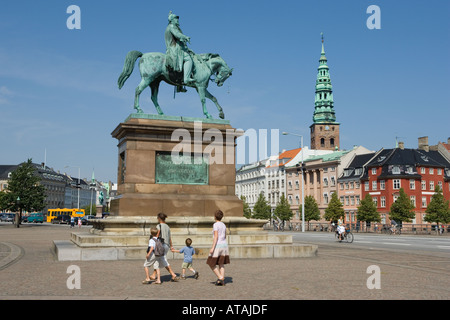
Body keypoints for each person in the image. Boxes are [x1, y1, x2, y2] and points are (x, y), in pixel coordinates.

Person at [165, 11, 195, 87]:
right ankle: (186, 78)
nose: (177, 20)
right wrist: (185, 37)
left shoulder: (173, 27)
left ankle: (179, 86)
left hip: (176, 47)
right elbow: (177, 35)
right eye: (176, 18)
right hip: (174, 48)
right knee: (188, 58)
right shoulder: (172, 26)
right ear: (171, 20)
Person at [149, 212, 179, 282]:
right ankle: (153, 275)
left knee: (162, 260)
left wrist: (153, 243)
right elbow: (169, 237)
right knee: (159, 259)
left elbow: (157, 234)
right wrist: (171, 246)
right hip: (167, 245)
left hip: (160, 245)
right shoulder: (167, 226)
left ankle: (173, 274)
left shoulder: (158, 226)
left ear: (159, 218)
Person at [206, 210, 229, 286]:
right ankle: (222, 280)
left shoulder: (215, 224)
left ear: (215, 216)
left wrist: (212, 248)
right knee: (221, 263)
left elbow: (216, 237)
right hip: (224, 245)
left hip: (218, 245)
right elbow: (225, 236)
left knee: (211, 263)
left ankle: (220, 277)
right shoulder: (223, 225)